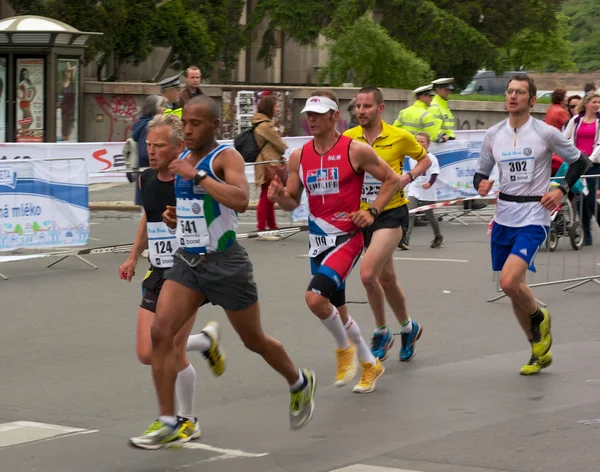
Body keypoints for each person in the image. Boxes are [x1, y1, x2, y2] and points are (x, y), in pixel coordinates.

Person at [130, 96, 316, 450]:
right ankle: (170, 421)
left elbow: (239, 199)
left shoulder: (224, 156)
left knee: (254, 341)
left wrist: (197, 175)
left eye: (196, 123)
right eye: (185, 122)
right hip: (188, 261)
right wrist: (174, 217)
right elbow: (191, 208)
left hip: (226, 264)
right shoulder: (183, 158)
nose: (188, 129)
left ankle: (298, 381)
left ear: (215, 125)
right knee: (160, 333)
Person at [269, 89, 401, 393]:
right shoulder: (298, 156)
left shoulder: (355, 150)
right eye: (308, 115)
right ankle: (370, 365)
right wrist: (279, 198)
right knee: (337, 312)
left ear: (334, 116)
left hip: (347, 239)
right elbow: (292, 201)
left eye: (318, 115)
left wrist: (372, 211)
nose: (311, 121)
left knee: (315, 299)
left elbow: (391, 179)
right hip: (318, 242)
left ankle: (344, 350)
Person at [474, 73, 591, 375]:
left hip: (534, 216)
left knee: (509, 282)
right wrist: (482, 184)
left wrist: (561, 189)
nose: (512, 96)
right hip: (503, 216)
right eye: (509, 92)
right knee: (515, 289)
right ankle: (537, 349)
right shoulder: (494, 134)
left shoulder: (545, 132)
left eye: (519, 92)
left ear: (531, 99)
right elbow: (481, 172)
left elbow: (581, 161)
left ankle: (540, 315)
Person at [120, 114, 222, 446]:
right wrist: (134, 255)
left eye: (159, 145)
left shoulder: (188, 180)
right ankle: (205, 342)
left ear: (178, 146)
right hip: (157, 270)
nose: (151, 151)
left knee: (173, 350)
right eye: (148, 145)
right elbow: (146, 219)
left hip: (186, 272)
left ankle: (187, 421)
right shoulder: (145, 179)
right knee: (147, 353)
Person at [344, 87, 431, 361]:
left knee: (369, 274)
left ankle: (382, 332)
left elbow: (425, 159)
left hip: (391, 214)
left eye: (367, 106)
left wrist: (409, 177)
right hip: (363, 216)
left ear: (380, 109)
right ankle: (408, 327)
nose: (361, 111)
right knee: (387, 278)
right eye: (358, 106)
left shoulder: (399, 136)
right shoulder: (348, 138)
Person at [563, 91, 600, 246]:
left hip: (593, 165)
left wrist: (590, 159)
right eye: (594, 102)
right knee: (579, 200)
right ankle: (586, 233)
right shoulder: (576, 120)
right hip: (577, 163)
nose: (597, 105)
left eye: (599, 102)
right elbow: (564, 138)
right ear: (586, 103)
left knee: (590, 199)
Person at [252, 95, 288, 232]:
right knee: (267, 196)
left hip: (266, 162)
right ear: (270, 108)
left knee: (269, 195)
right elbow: (280, 145)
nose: (277, 109)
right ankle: (262, 227)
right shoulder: (265, 125)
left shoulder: (261, 123)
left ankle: (271, 225)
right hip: (268, 163)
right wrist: (283, 147)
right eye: (276, 106)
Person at [405, 132, 444, 249]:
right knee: (410, 212)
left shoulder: (431, 158)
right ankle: (405, 239)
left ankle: (438, 236)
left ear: (428, 144)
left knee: (430, 215)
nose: (419, 144)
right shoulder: (412, 158)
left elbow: (435, 173)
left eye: (422, 142)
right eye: (417, 141)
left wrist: (429, 183)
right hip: (415, 190)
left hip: (427, 191)